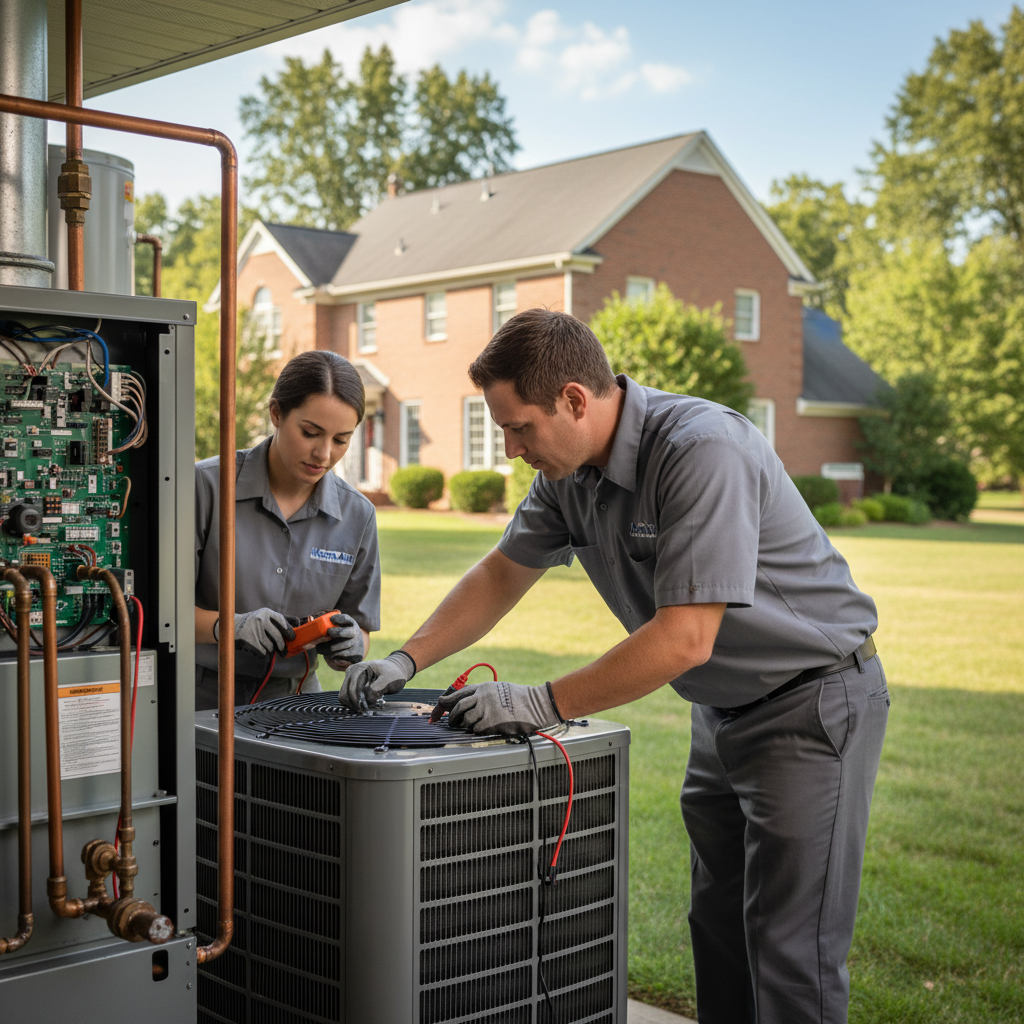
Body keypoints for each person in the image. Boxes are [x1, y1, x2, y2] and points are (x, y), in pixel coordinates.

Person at [341, 309, 888, 1024]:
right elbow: (503, 573)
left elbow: (685, 637)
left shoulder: (701, 449)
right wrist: (406, 656)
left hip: (810, 705)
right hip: (721, 712)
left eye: (519, 427)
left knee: (792, 952)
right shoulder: (569, 471)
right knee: (719, 927)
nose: (509, 449)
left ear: (574, 399)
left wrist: (540, 702)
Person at [195, 350, 380, 710]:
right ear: (276, 413)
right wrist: (232, 626)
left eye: (341, 440)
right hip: (198, 697)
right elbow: (160, 612)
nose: (324, 453)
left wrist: (352, 644)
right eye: (310, 432)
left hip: (297, 705)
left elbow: (360, 627)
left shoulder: (359, 515)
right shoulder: (205, 487)